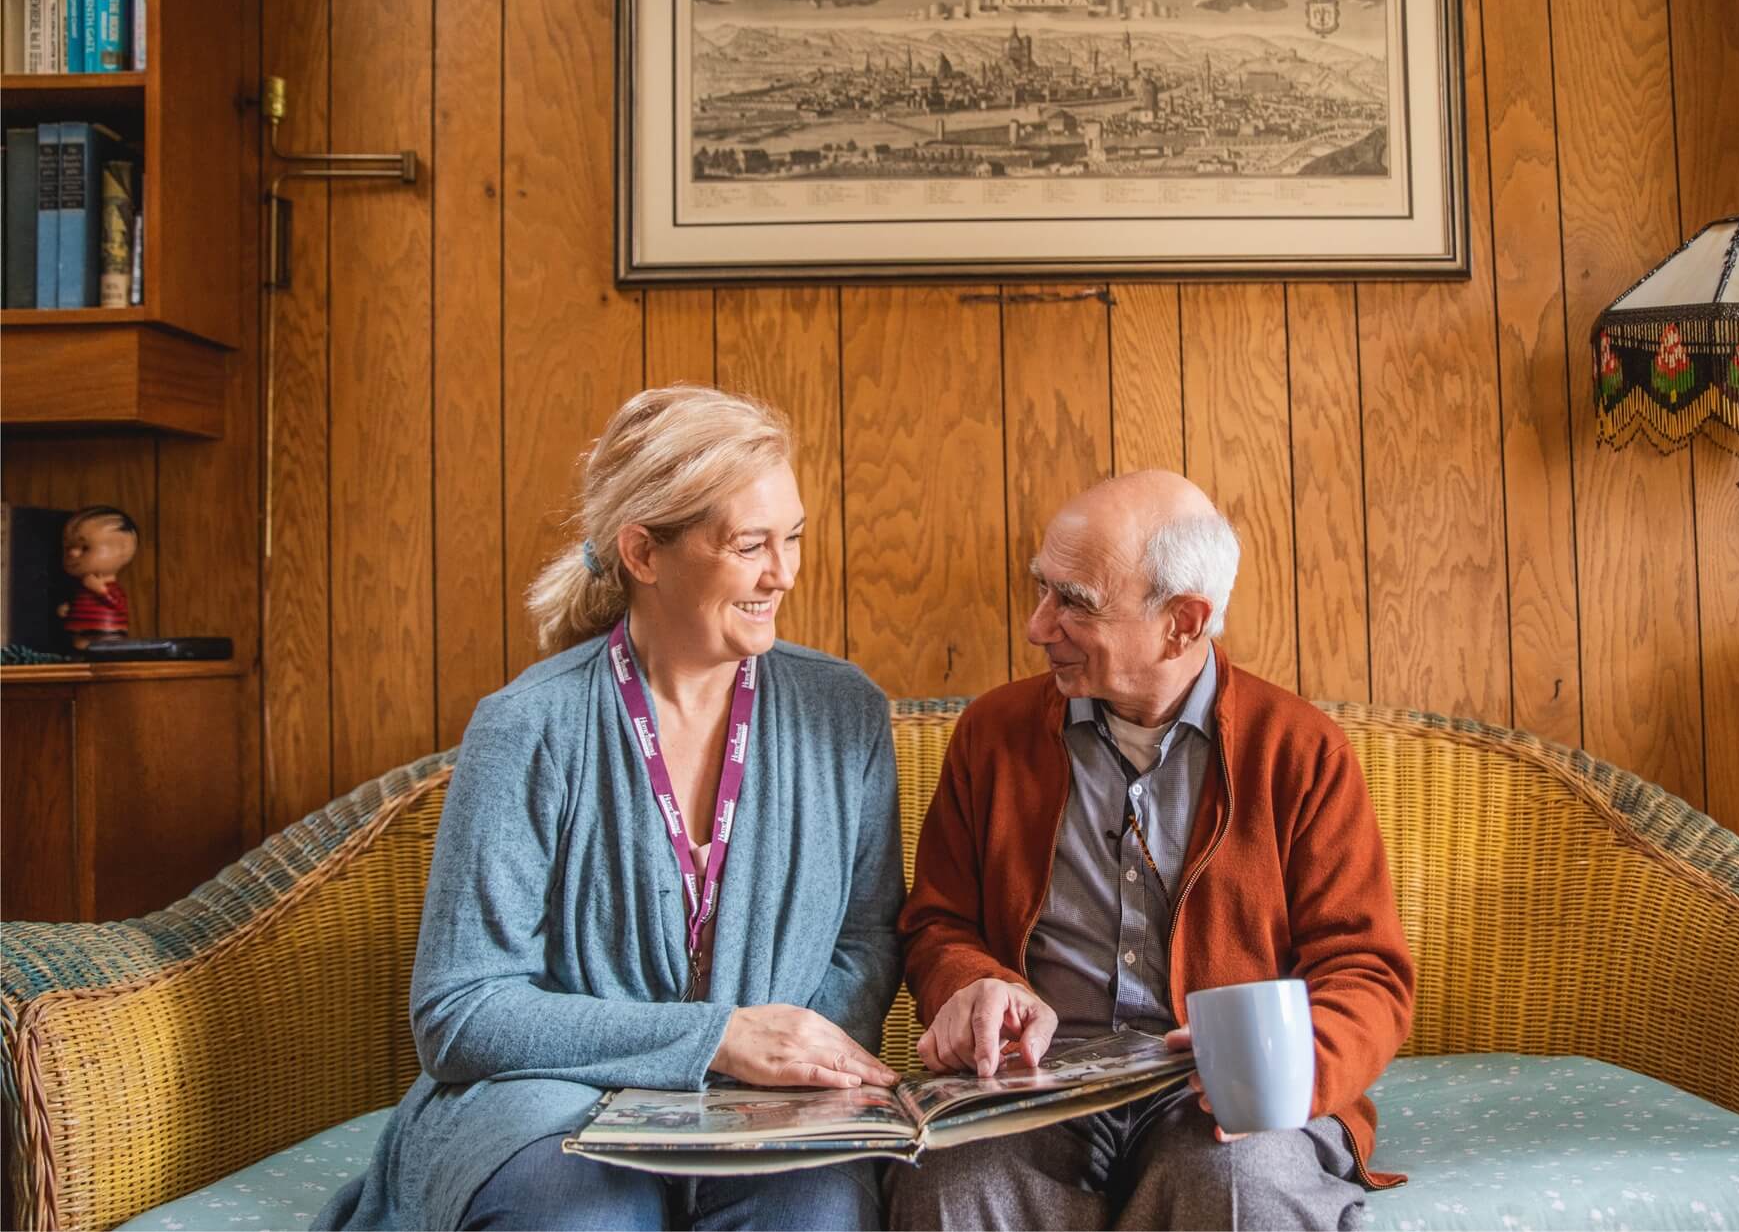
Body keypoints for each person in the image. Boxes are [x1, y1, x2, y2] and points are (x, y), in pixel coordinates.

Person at [318, 386, 904, 1231]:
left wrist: (793, 1056)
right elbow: (461, 1011)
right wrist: (714, 1039)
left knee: (816, 1207)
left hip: (767, 1111)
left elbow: (866, 936)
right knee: (584, 1211)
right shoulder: (528, 725)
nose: (784, 572)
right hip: (546, 1108)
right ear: (643, 552)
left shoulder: (844, 712)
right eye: (749, 545)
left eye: (793, 538)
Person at [891, 470, 1414, 1231]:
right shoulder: (991, 737)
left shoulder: (1301, 753)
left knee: (1241, 1186)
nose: (1038, 624)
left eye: (1074, 601)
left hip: (1220, 1096)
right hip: (1035, 1086)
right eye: (1044, 588)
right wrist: (970, 982)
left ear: (1183, 622)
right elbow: (936, 923)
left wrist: (1283, 1071)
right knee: (952, 1183)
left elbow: (1366, 971)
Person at [56, 504, 139, 649]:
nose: (72, 554)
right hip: (78, 633)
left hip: (107, 633)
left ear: (122, 549)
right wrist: (68, 609)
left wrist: (101, 590)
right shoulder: (81, 589)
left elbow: (117, 605)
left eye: (85, 547)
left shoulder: (110, 588)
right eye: (67, 547)